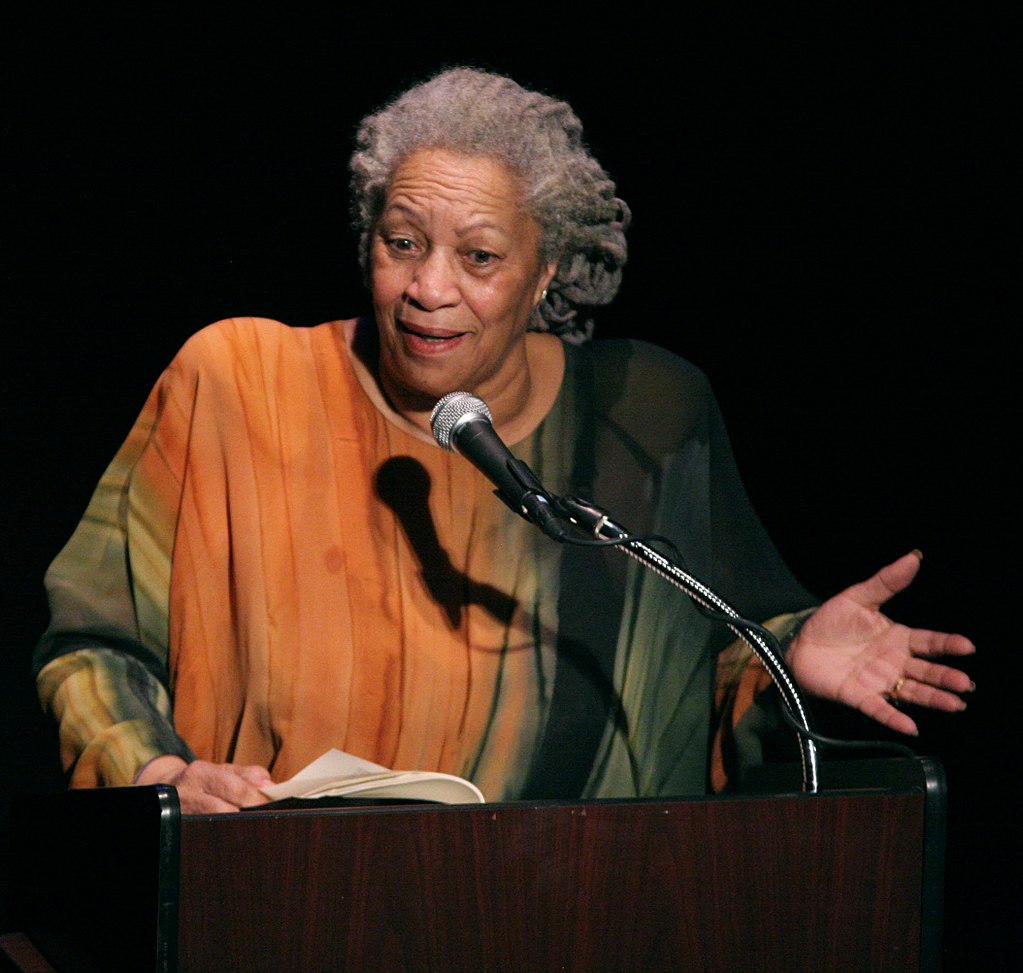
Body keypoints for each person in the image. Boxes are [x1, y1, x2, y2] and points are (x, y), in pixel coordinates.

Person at [33, 67, 975, 814]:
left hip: (567, 916)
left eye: (478, 256)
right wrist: (155, 772)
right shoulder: (236, 384)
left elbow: (695, 669)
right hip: (281, 902)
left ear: (546, 270)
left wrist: (786, 657)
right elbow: (91, 642)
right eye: (400, 242)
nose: (428, 288)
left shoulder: (644, 415)